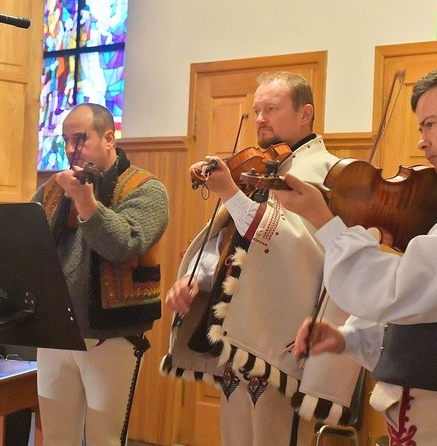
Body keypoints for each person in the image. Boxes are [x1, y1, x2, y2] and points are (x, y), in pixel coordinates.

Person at [274, 62, 437, 444]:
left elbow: (405, 288)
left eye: (429, 124)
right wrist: (348, 339)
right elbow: (434, 312)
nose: (421, 141)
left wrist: (325, 220)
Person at [161, 71, 361, 446]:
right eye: (255, 110)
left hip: (279, 341)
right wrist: (196, 280)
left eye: (271, 108)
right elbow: (232, 241)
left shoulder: (326, 171)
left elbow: (296, 248)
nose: (260, 119)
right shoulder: (261, 168)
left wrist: (230, 194)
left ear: (306, 114)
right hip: (236, 342)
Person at [33, 103, 169, 445]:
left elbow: (124, 244)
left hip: (113, 335)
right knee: (56, 438)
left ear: (109, 138)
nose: (69, 149)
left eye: (79, 138)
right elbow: (29, 241)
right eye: (64, 140)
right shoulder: (53, 187)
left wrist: (86, 202)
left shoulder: (146, 188)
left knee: (103, 439)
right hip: (55, 334)